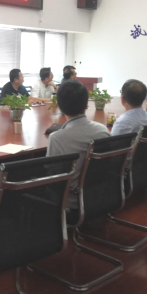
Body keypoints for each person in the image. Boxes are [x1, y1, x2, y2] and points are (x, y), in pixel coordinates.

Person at [46, 81, 110, 209]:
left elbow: (51, 174)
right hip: (100, 193)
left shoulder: (57, 138)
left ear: (59, 106)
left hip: (70, 199)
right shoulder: (103, 130)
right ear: (86, 104)